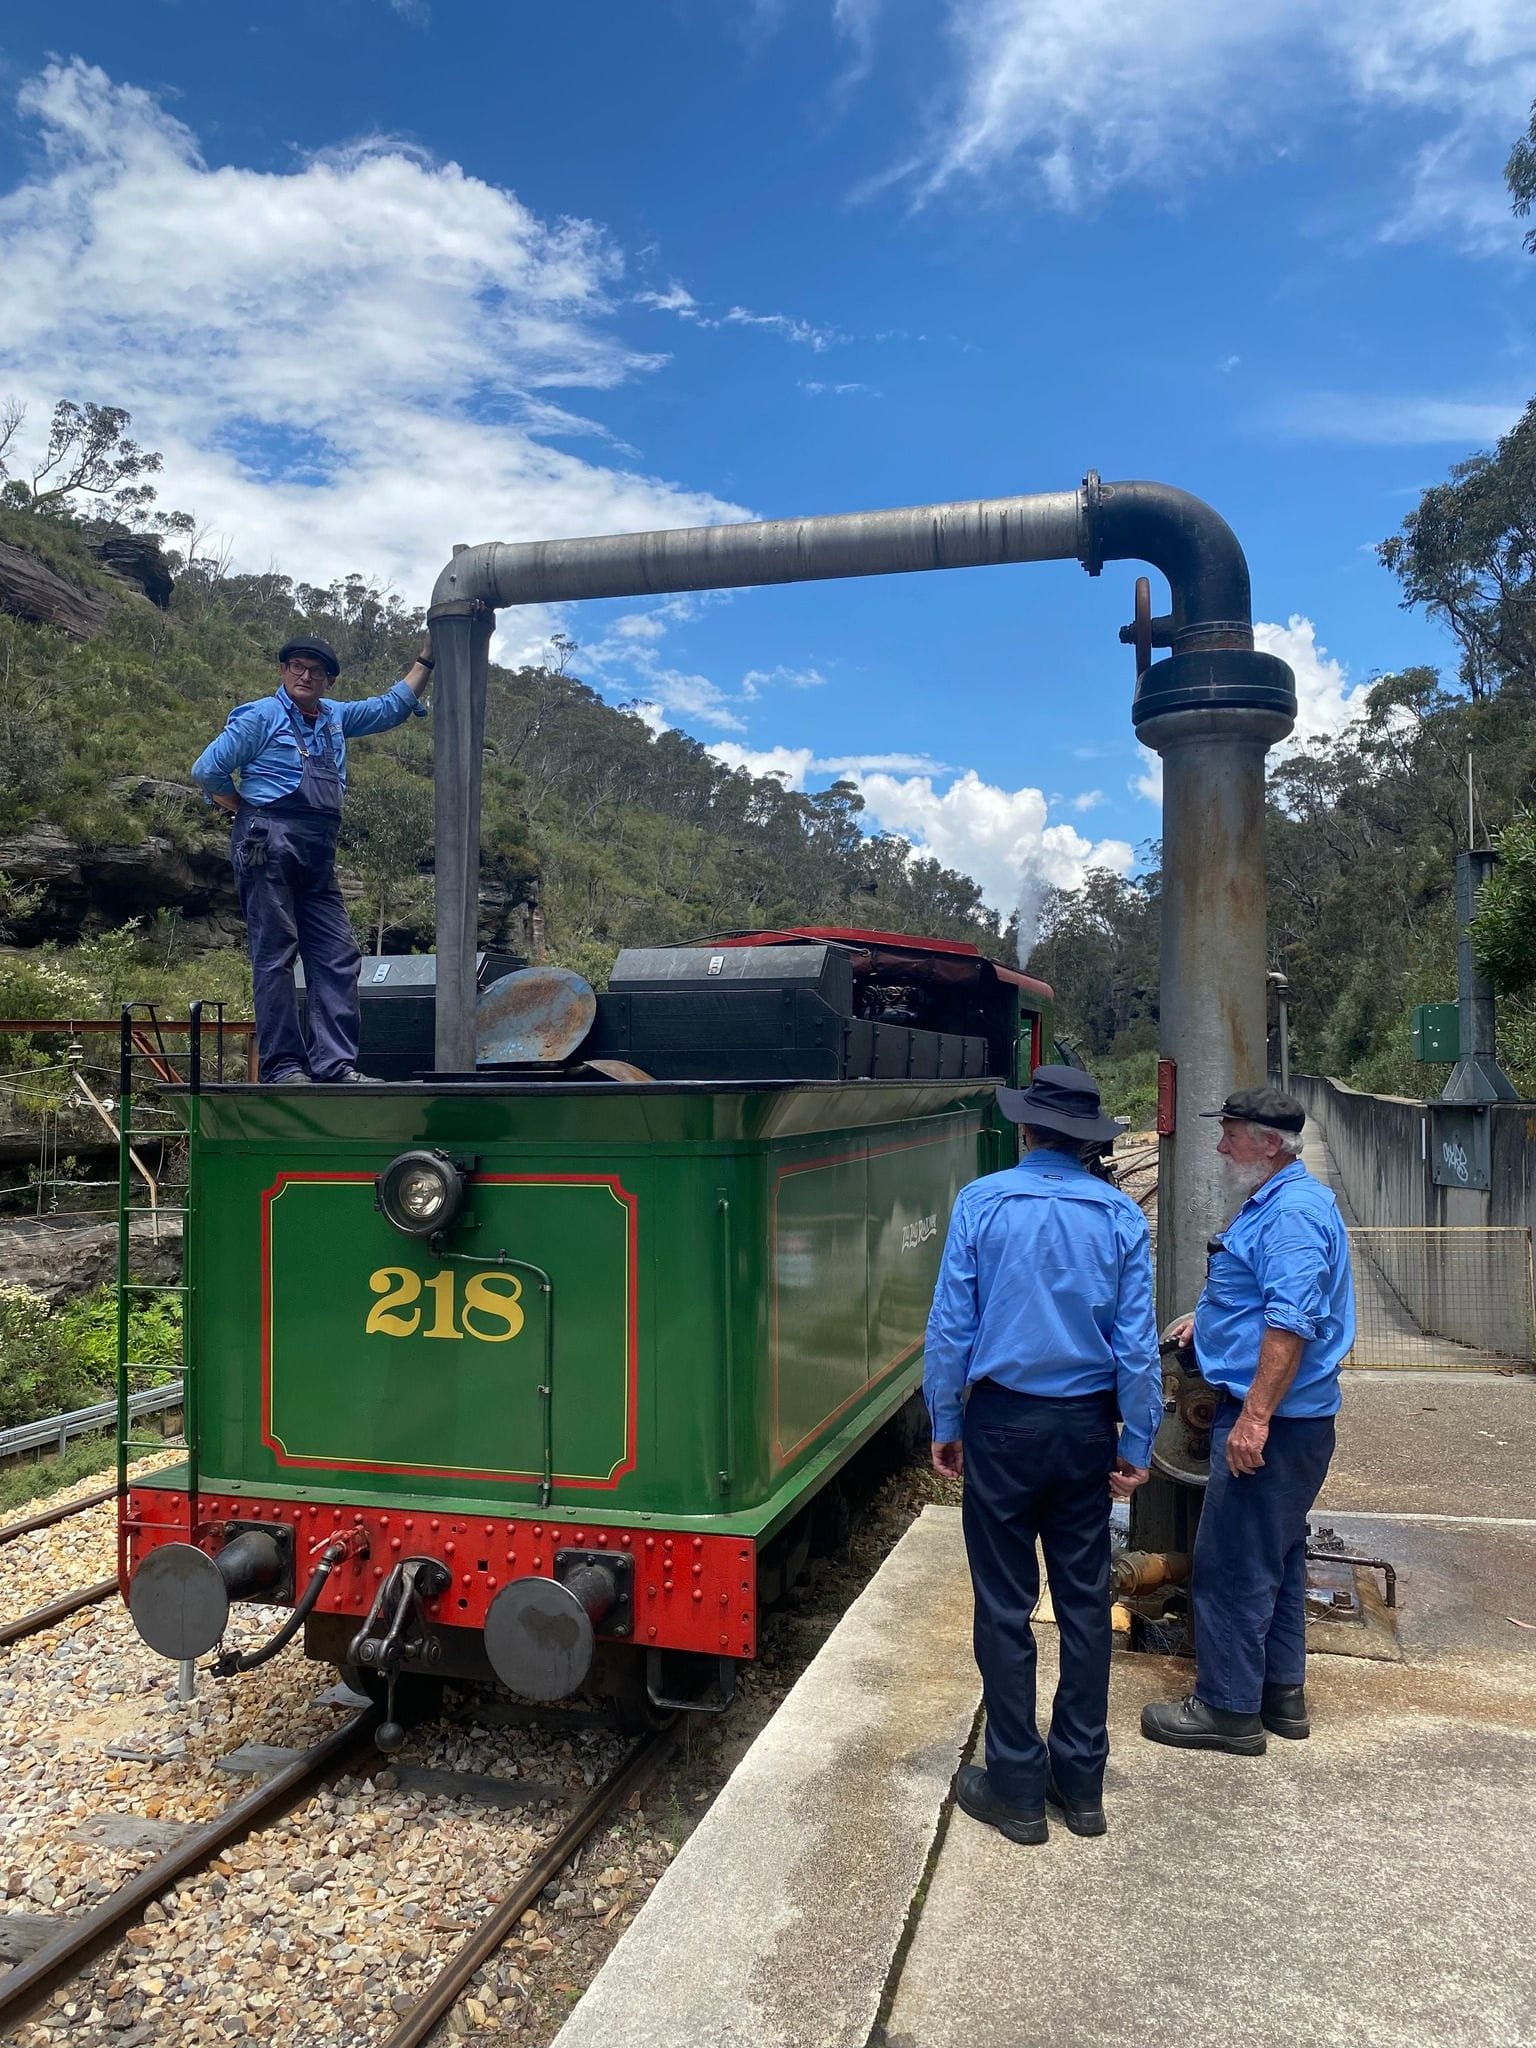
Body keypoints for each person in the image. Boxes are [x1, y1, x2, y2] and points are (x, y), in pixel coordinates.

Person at [925, 1067, 1162, 1846]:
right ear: (1089, 1141)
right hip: (1086, 1427)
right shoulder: (1120, 1217)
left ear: (1025, 1130)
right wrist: (1136, 1438)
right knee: (1085, 1602)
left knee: (1004, 1602)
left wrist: (944, 1415)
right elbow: (1135, 1345)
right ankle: (1082, 1787)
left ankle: (1018, 1789)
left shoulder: (982, 1203)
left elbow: (951, 1327)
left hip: (1001, 1424)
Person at [1141, 1086, 1354, 1756]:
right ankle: (1279, 1696)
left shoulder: (1289, 1216)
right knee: (1279, 1560)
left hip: (1277, 1422)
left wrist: (1253, 1418)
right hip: (1297, 1421)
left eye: (1230, 1133)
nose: (1220, 1145)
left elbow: (1290, 1324)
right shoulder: (1286, 1202)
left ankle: (1227, 1711)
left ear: (1267, 1143)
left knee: (1231, 1564)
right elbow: (1258, 1297)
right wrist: (1203, 1321)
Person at [191, 632, 433, 1083]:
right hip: (267, 843)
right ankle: (283, 1067)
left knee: (338, 954)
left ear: (329, 681)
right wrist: (243, 808)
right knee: (276, 954)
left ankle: (334, 1065)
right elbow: (207, 770)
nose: (306, 675)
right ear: (283, 672)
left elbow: (390, 706)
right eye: (297, 666)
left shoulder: (336, 717)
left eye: (316, 670)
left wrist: (426, 659)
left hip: (318, 848)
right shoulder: (260, 716)